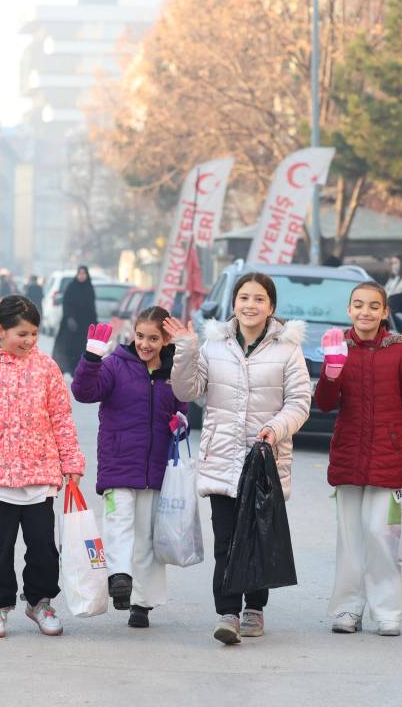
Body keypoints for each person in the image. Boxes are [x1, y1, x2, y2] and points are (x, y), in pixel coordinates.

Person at [166, 272, 311, 645]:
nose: (251, 305)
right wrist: (185, 349)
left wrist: (275, 429)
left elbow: (299, 402)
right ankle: (227, 612)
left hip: (264, 460)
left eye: (259, 299)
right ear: (234, 304)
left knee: (261, 537)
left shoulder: (287, 349)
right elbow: (188, 390)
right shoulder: (213, 346)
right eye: (244, 297)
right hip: (221, 457)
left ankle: (254, 608)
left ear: (272, 307)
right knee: (226, 539)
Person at [0, 295, 84, 639]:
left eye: (34, 334)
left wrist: (72, 462)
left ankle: (40, 603)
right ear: (0, 330)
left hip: (39, 478)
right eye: (22, 333)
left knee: (43, 551)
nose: (29, 341)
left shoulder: (47, 368)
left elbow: (62, 419)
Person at [315, 281, 402, 637]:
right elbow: (323, 402)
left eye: (373, 306)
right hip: (349, 458)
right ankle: (348, 610)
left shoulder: (399, 353)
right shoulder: (340, 348)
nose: (365, 312)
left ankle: (387, 611)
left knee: (381, 536)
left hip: (389, 459)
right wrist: (331, 370)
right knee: (350, 540)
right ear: (349, 310)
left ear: (385, 312)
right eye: (358, 305)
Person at [71, 307, 187, 628]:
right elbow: (84, 392)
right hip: (118, 463)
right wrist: (92, 358)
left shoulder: (172, 373)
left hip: (155, 469)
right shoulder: (114, 367)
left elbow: (183, 405)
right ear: (132, 334)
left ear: (165, 340)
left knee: (148, 537)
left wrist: (181, 421)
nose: (145, 344)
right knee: (118, 521)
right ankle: (119, 577)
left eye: (153, 338)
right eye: (140, 336)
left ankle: (142, 602)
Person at [51, 266, 97, 375]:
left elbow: (92, 307)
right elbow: (66, 304)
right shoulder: (71, 287)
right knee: (67, 346)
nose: (81, 276)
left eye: (84, 273)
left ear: (87, 275)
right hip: (70, 325)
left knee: (81, 348)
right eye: (80, 273)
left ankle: (78, 370)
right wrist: (70, 318)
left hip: (84, 325)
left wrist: (94, 323)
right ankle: (63, 368)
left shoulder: (89, 288)